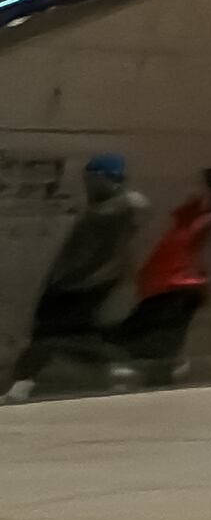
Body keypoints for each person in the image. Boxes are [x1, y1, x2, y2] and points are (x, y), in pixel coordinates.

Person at [8, 154, 146, 393]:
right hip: (76, 284)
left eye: (90, 178)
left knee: (51, 336)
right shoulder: (108, 208)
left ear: (105, 178)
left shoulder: (115, 208)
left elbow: (137, 203)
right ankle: (119, 368)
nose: (86, 184)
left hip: (77, 285)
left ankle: (21, 385)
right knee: (71, 337)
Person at [106, 168, 211, 386]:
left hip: (180, 289)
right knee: (146, 339)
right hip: (167, 287)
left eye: (200, 185)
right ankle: (155, 379)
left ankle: (157, 382)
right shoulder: (194, 215)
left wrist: (208, 285)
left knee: (150, 339)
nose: (193, 189)